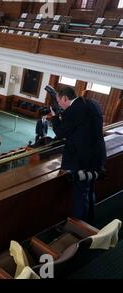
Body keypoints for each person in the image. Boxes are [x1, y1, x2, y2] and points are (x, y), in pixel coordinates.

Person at [50, 86, 106, 222]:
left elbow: (60, 132)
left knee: (80, 196)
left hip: (82, 161)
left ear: (65, 98)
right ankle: (90, 219)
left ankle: (79, 229)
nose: (58, 104)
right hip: (98, 157)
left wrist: (55, 117)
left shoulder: (73, 110)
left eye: (59, 101)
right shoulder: (93, 103)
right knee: (90, 189)